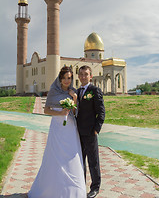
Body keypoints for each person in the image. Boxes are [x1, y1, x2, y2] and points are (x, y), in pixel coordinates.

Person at [28, 66, 86, 198]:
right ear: (60, 79)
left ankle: (73, 191)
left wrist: (75, 98)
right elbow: (46, 110)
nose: (67, 81)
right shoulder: (53, 91)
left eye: (69, 78)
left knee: (71, 155)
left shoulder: (73, 92)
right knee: (55, 155)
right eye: (64, 78)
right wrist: (59, 113)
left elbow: (76, 112)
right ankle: (52, 190)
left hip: (70, 128)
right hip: (57, 127)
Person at [77, 65, 105, 198]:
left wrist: (96, 130)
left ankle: (95, 188)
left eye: (85, 74)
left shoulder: (95, 90)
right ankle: (81, 185)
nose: (83, 77)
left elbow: (101, 112)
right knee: (80, 161)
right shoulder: (77, 92)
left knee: (93, 162)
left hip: (90, 132)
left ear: (90, 76)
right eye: (81, 74)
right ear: (78, 76)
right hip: (77, 133)